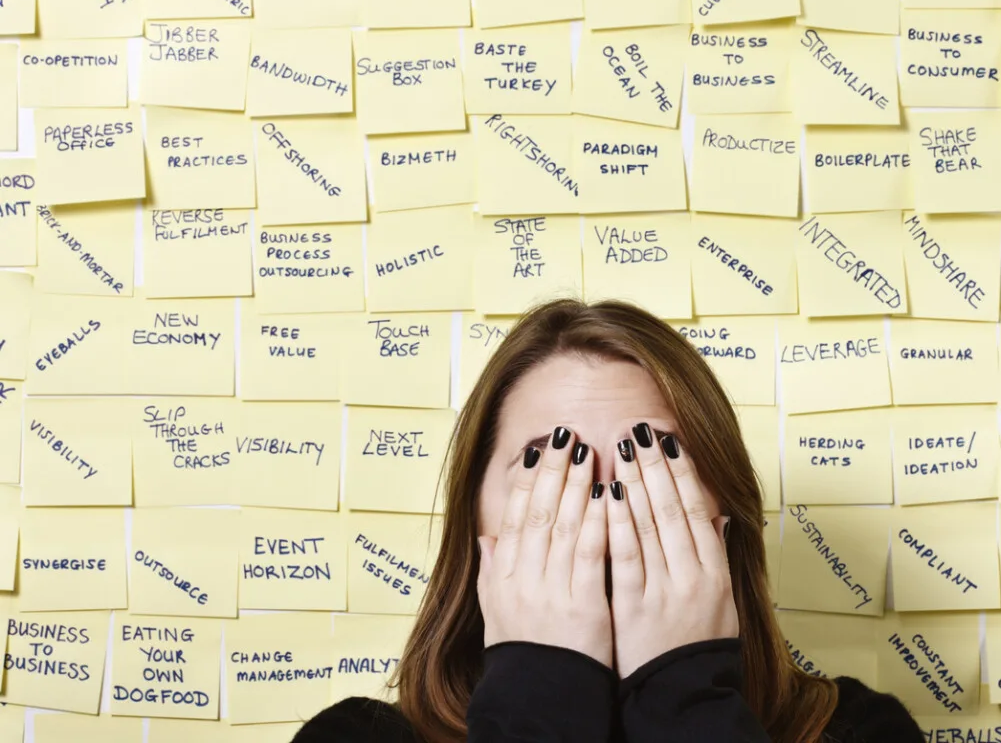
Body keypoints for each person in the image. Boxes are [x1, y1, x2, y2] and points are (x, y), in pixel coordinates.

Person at [294, 299, 924, 743]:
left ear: (722, 517)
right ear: (476, 526)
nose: (599, 508)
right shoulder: (356, 738)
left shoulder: (858, 731)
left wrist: (686, 694)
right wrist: (539, 690)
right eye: (547, 466)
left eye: (654, 463)